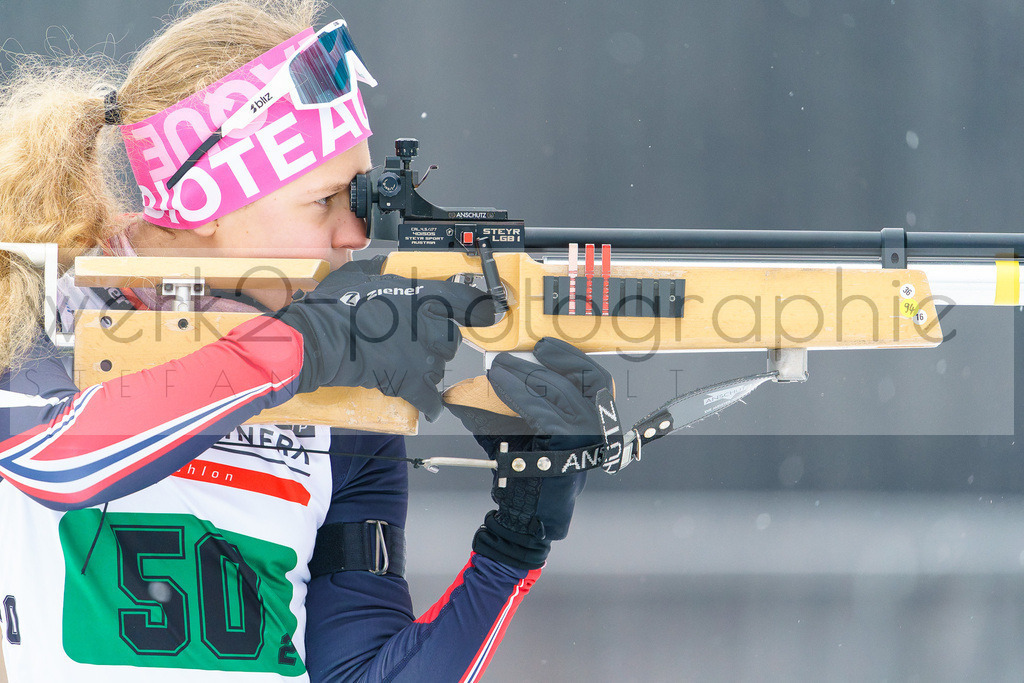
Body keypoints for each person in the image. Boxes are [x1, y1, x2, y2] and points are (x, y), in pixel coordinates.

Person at [0, 1, 613, 681]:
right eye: (325, 201)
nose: (355, 235)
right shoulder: (33, 305)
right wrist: (305, 346)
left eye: (361, 201)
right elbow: (54, 460)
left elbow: (360, 673)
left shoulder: (344, 401)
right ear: (200, 201)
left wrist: (513, 546)